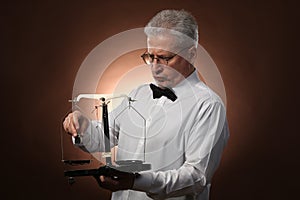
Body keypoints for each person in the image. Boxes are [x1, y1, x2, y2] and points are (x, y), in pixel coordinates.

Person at [63, 9, 229, 200]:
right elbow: (104, 138)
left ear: (191, 54)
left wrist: (135, 182)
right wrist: (82, 128)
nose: (155, 67)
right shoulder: (138, 93)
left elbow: (196, 177)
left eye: (165, 58)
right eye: (150, 57)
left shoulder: (208, 106)